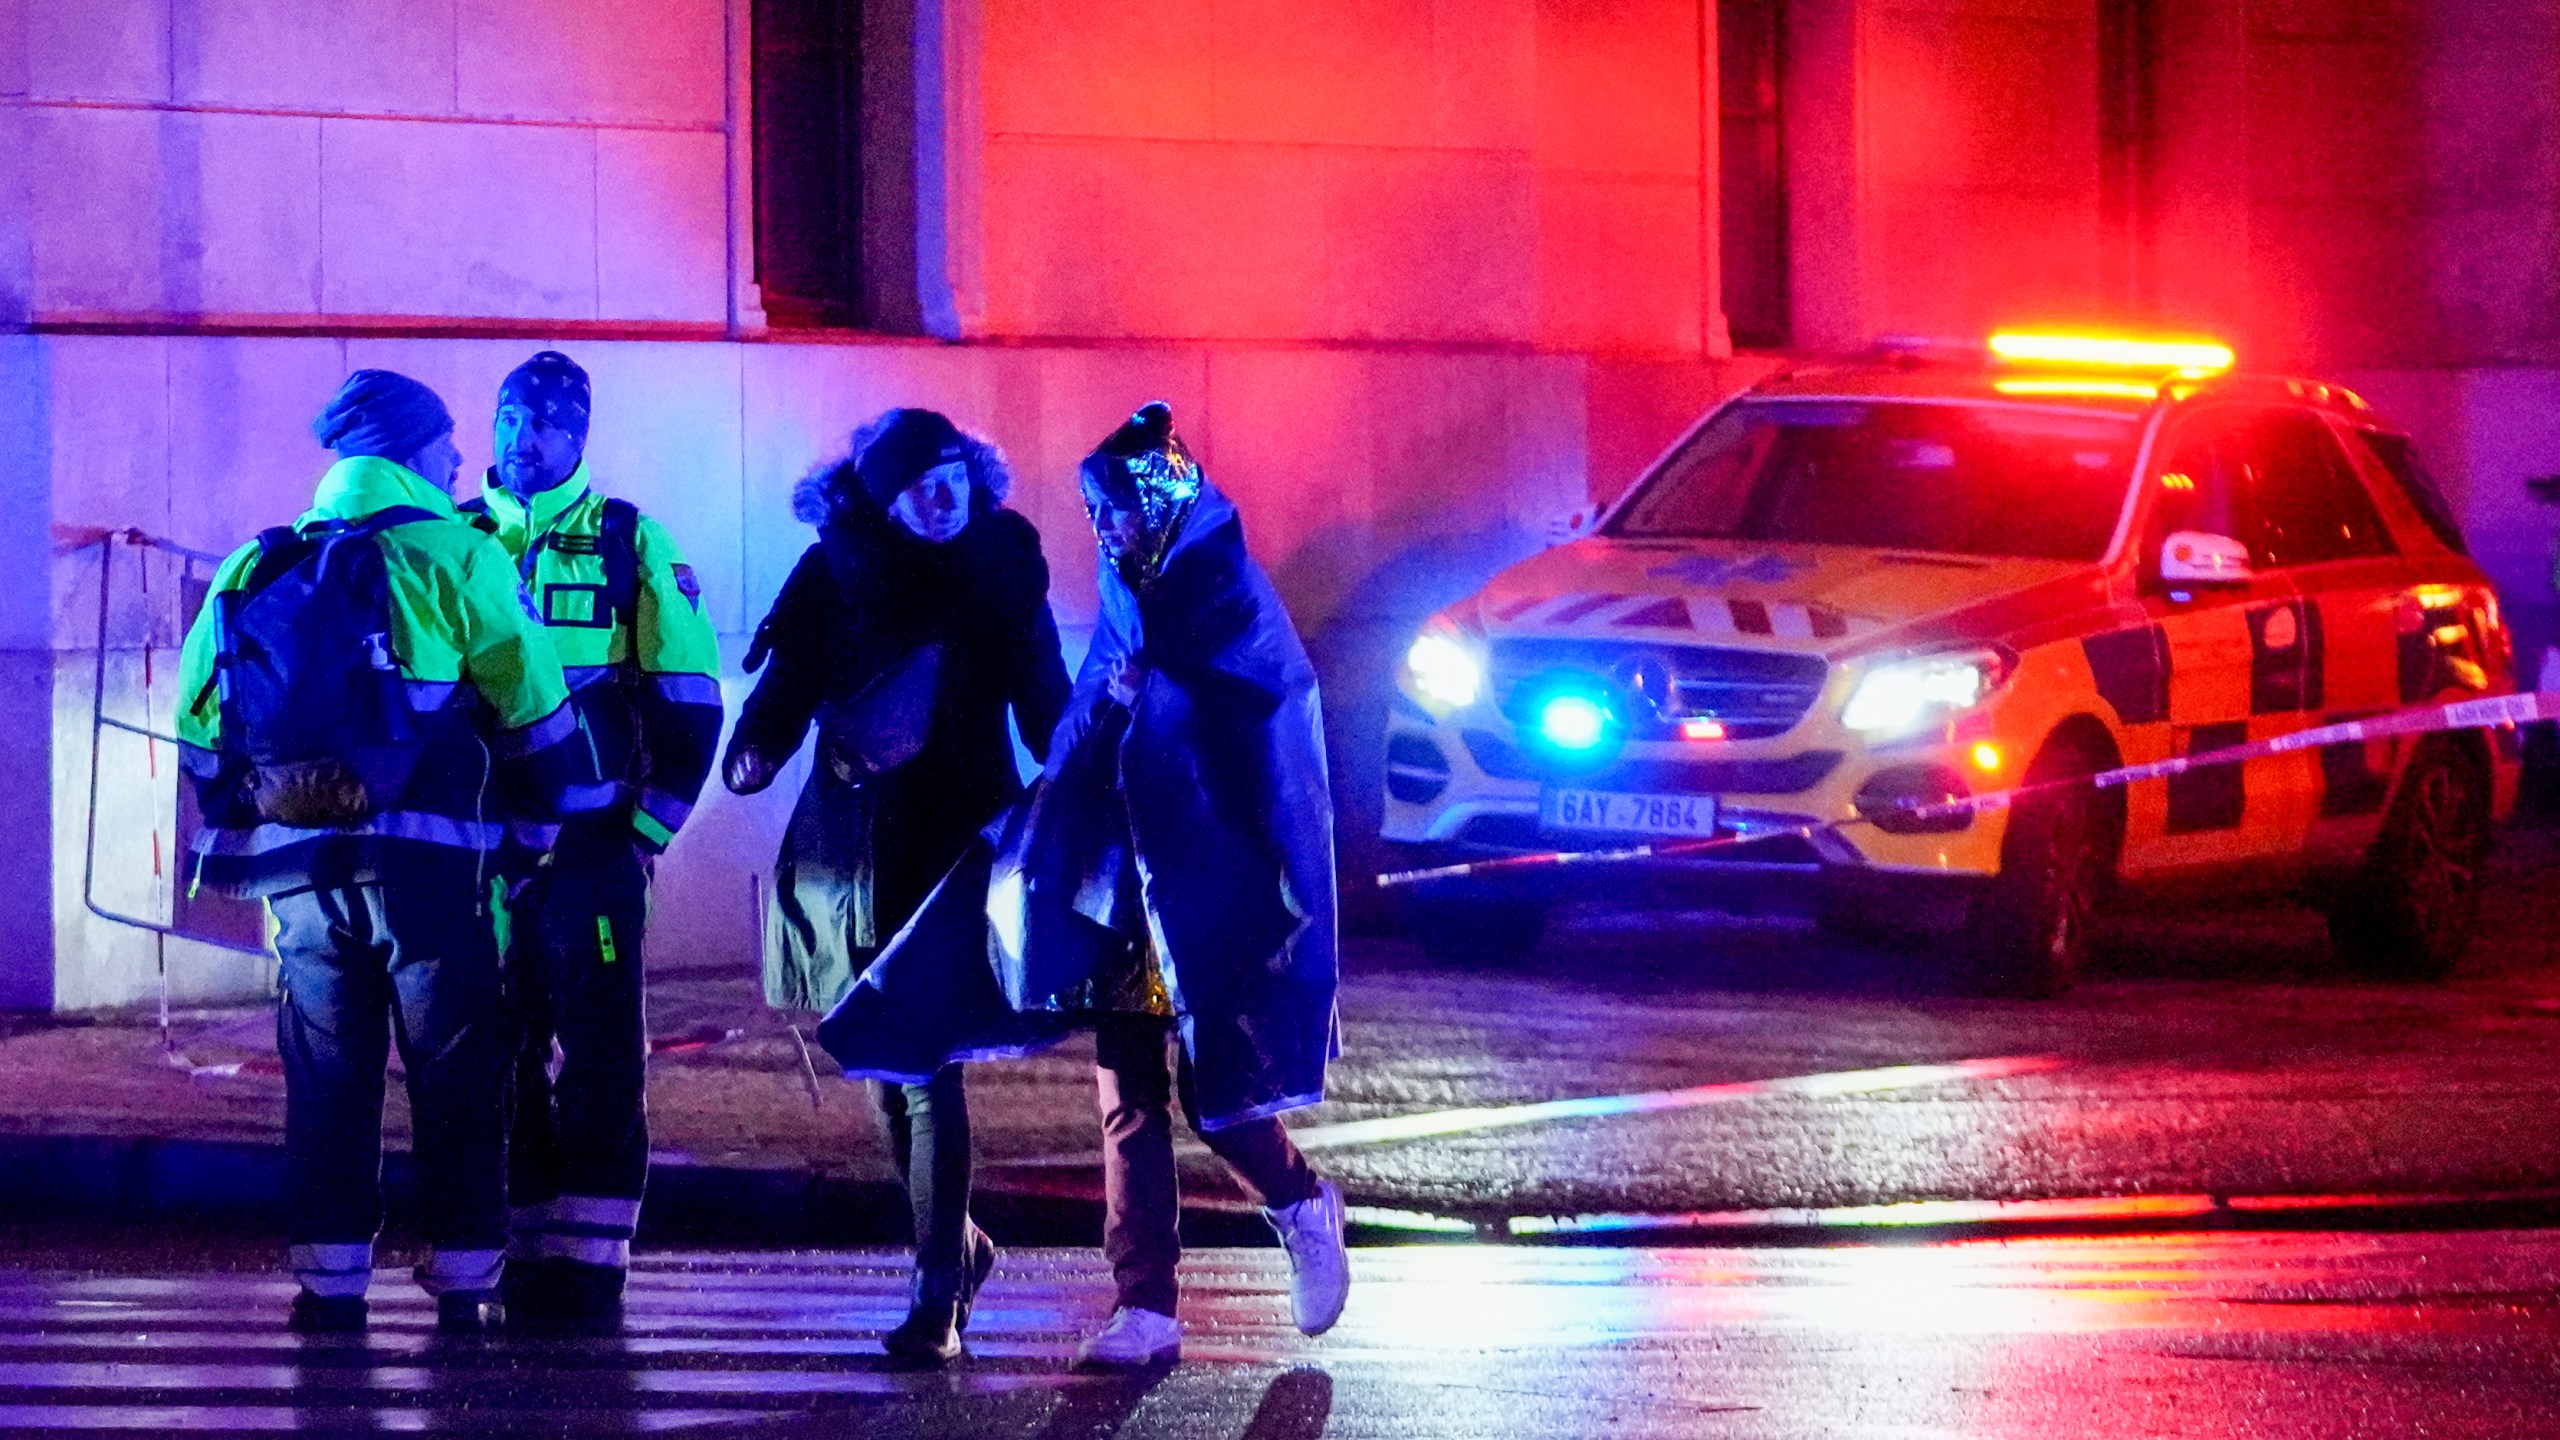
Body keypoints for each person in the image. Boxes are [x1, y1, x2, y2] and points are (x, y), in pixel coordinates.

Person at [817, 401, 1349, 1372]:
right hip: (1126, 886)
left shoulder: (1224, 585)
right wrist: (1064, 788)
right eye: (1093, 513)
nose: (1100, 531)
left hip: (1211, 887)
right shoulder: (1125, 586)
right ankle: (1144, 1303)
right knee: (1127, 1093)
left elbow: (1266, 709)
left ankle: (1299, 1201)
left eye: (1115, 511)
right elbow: (1083, 710)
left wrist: (1165, 699)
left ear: (1160, 504)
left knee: (1217, 1093)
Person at [175, 369, 605, 1335]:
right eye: (448, 444)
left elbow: (201, 729)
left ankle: (330, 1280)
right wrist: (547, 828)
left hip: (299, 875)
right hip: (429, 873)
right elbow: (536, 712)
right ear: (412, 453)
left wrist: (260, 814)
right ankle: (462, 1277)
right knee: (455, 1067)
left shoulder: (255, 564)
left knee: (327, 1070)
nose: (462, 460)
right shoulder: (455, 554)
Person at [724, 408, 1069, 1363]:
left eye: (955, 471)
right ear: (880, 498)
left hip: (959, 843)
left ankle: (935, 1294)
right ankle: (955, 1246)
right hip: (855, 847)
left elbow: (1046, 700)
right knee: (881, 1062)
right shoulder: (837, 569)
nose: (943, 492)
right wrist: (752, 748)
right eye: (921, 480)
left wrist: (1082, 780)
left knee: (925, 1063)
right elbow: (787, 686)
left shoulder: (1000, 566)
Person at [458, 351, 725, 1334]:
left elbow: (691, 699)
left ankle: (595, 1250)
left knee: (601, 1044)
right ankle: (524, 1230)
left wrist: (646, 833)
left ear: (578, 437)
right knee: (499, 1041)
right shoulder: (459, 538)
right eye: (508, 422)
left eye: (543, 425)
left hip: (590, 847)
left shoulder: (625, 541)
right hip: (485, 849)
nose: (521, 441)